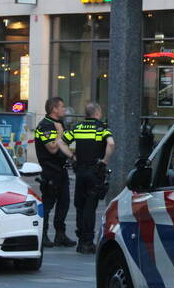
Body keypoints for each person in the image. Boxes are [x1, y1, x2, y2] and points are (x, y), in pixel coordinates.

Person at [64, 102, 114, 254]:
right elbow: (111, 144)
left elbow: (60, 142)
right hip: (95, 171)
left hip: (80, 171)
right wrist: (105, 161)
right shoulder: (101, 128)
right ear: (97, 113)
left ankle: (80, 241)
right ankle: (88, 242)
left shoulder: (78, 127)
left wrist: (72, 156)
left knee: (80, 205)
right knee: (90, 207)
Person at [34, 96, 76, 248]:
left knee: (64, 203)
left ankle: (60, 235)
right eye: (62, 107)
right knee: (48, 204)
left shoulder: (59, 123)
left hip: (61, 170)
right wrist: (59, 134)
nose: (64, 109)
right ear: (54, 109)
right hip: (50, 171)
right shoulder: (45, 125)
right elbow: (52, 148)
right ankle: (43, 235)